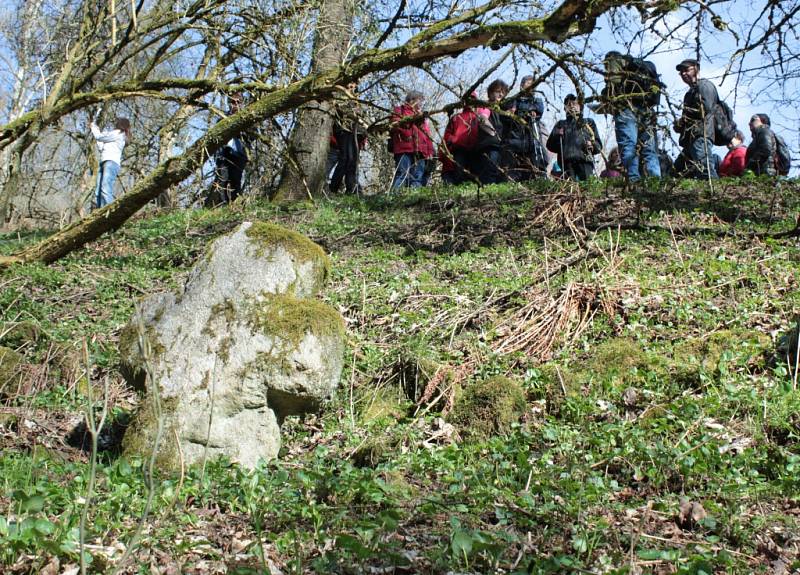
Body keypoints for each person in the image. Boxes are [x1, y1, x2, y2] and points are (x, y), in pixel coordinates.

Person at [600, 52, 662, 182]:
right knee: (649, 150)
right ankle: (655, 181)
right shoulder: (641, 68)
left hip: (626, 110)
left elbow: (613, 85)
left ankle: (633, 180)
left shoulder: (614, 62)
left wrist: (606, 96)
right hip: (647, 111)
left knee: (629, 146)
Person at [673, 58, 718, 179]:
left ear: (696, 69)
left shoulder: (704, 85)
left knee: (704, 168)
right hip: (690, 137)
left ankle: (714, 193)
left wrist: (684, 119)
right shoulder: (690, 92)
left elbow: (705, 108)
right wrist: (680, 125)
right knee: (678, 171)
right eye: (681, 72)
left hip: (701, 134)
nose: (683, 74)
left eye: (686, 70)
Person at [546, 94, 601, 181]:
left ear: (580, 106)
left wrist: (592, 146)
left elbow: (598, 145)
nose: (571, 106)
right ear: (565, 108)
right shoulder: (561, 124)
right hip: (566, 163)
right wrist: (557, 135)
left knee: (587, 186)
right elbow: (550, 145)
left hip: (585, 160)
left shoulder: (589, 122)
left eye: (574, 103)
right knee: (569, 188)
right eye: (568, 104)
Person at [504, 75, 549, 181]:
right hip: (515, 137)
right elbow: (504, 110)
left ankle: (539, 183)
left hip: (531, 138)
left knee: (534, 164)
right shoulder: (513, 100)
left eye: (533, 85)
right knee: (515, 166)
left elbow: (538, 110)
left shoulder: (536, 101)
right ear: (521, 85)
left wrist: (529, 110)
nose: (530, 86)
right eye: (528, 83)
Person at [209, 92, 248, 205]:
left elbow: (252, 136)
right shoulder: (222, 119)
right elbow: (215, 136)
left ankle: (235, 205)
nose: (235, 104)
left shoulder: (247, 117)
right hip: (223, 155)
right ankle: (223, 205)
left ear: (241, 103)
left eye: (238, 102)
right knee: (222, 180)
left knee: (236, 181)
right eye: (232, 102)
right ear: (229, 103)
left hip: (239, 154)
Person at [390, 91, 434, 189]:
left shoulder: (421, 115)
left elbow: (427, 135)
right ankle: (394, 199)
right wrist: (412, 120)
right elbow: (395, 126)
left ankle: (414, 199)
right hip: (403, 150)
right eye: (419, 100)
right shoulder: (399, 110)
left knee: (417, 177)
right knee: (402, 174)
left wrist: (430, 152)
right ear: (412, 100)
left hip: (420, 151)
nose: (421, 104)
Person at [329, 83, 367, 194]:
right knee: (345, 159)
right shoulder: (340, 100)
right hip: (344, 132)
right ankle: (334, 187)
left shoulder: (359, 105)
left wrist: (363, 135)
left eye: (354, 88)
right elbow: (341, 113)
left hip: (356, 135)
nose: (352, 90)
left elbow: (362, 121)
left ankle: (351, 188)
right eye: (350, 87)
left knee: (352, 161)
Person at [475, 79, 510, 184]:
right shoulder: (485, 106)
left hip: (500, 146)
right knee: (490, 172)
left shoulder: (501, 109)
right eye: (498, 91)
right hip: (490, 145)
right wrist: (494, 134)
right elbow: (482, 119)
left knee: (499, 173)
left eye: (503, 92)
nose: (500, 94)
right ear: (490, 93)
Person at [90, 115, 130, 209]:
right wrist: (96, 130)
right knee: (98, 191)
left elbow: (99, 137)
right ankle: (100, 213)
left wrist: (93, 127)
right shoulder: (115, 135)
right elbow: (101, 146)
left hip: (111, 163)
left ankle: (110, 211)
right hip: (104, 162)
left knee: (105, 188)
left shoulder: (118, 134)